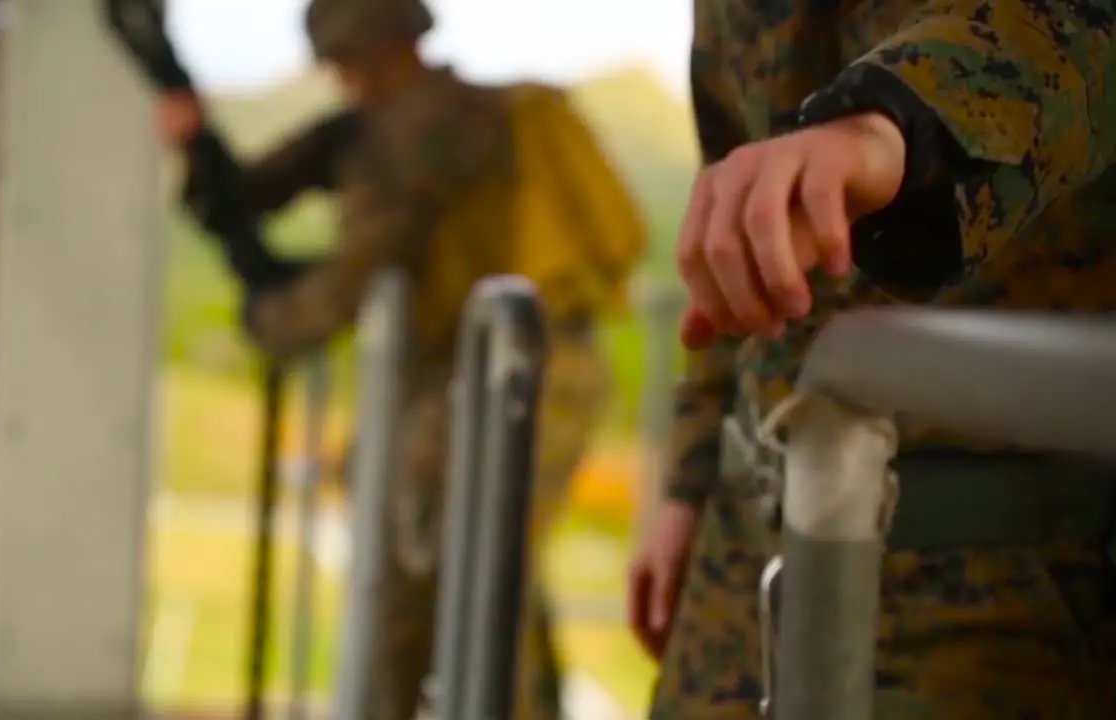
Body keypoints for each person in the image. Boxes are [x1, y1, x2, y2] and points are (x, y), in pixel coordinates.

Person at [154, 0, 644, 717]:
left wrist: (274, 320)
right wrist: (204, 151)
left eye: (343, 64)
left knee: (456, 582)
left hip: (507, 374)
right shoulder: (424, 118)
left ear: (370, 53)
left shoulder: (421, 129)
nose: (340, 80)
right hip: (496, 372)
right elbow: (251, 197)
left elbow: (354, 274)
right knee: (485, 576)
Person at [628, 0, 1116, 717]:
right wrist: (689, 480)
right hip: (745, 552)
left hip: (994, 579)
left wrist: (888, 125)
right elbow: (734, 198)